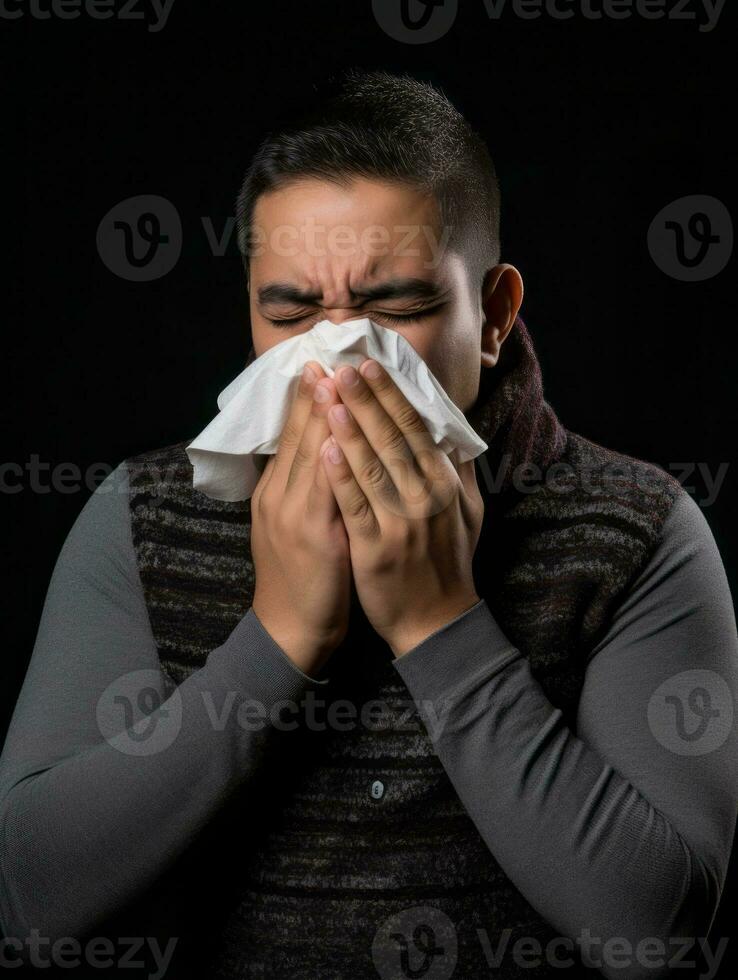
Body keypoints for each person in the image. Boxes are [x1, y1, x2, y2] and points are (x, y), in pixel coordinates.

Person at [1, 69, 737, 979]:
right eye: (293, 311)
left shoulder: (636, 529)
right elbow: (33, 896)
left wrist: (441, 627)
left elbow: (657, 931)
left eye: (396, 308)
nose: (339, 354)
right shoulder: (141, 516)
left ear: (495, 315)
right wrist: (279, 637)